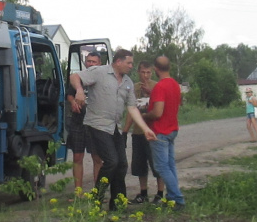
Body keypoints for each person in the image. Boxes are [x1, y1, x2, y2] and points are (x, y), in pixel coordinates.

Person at [70, 48, 156, 210]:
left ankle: (117, 203)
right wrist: (80, 90)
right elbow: (74, 77)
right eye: (129, 63)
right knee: (111, 161)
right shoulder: (100, 72)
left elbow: (132, 108)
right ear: (118, 61)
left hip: (114, 126)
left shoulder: (128, 83)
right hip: (97, 124)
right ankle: (96, 199)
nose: (131, 66)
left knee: (122, 164)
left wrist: (145, 129)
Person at [143, 55, 185, 208]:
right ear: (169, 67)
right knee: (170, 164)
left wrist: (145, 115)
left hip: (160, 131)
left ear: (155, 69)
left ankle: (178, 198)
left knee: (161, 167)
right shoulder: (174, 84)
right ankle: (173, 196)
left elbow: (158, 112)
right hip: (172, 128)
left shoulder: (160, 87)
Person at [125, 61, 165, 203]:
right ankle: (143, 193)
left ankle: (160, 193)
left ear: (152, 73)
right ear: (138, 72)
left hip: (154, 131)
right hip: (138, 131)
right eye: (143, 72)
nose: (146, 75)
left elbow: (161, 108)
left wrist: (150, 92)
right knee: (139, 164)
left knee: (157, 164)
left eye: (148, 72)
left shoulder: (157, 86)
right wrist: (125, 130)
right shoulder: (133, 88)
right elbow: (131, 110)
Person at [66, 51, 103, 191]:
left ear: (99, 64)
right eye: (89, 61)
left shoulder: (102, 78)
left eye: (94, 62)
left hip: (95, 122)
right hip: (78, 121)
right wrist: (73, 102)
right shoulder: (79, 78)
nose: (91, 64)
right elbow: (69, 95)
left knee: (97, 158)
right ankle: (78, 192)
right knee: (77, 157)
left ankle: (97, 192)